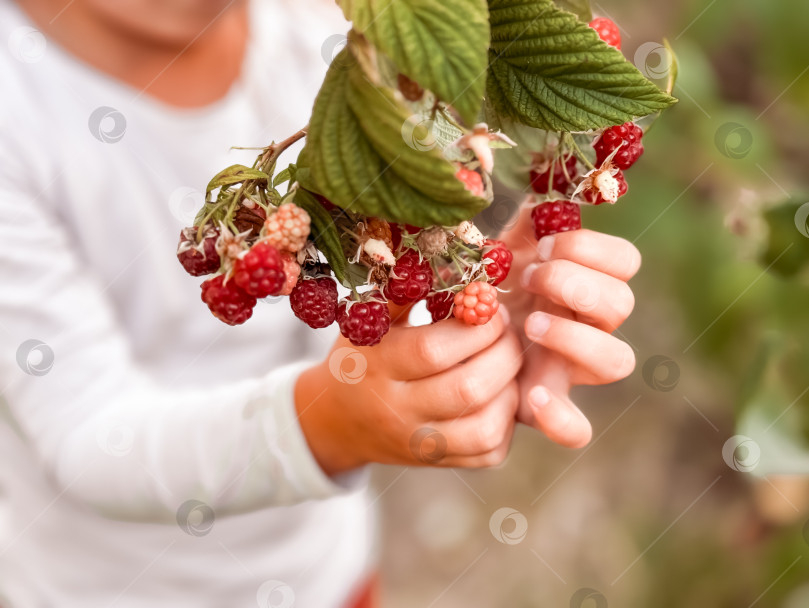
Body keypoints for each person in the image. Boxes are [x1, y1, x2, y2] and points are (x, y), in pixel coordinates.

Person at [0, 0, 640, 605]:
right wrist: (326, 424)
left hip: (324, 571)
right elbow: (90, 438)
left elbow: (363, 300)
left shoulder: (330, 26)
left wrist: (471, 316)